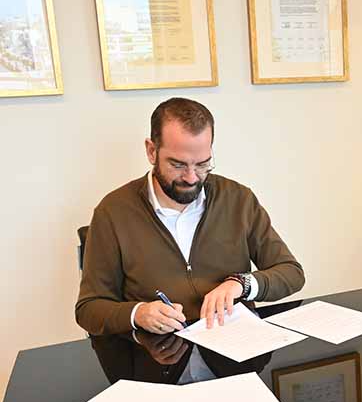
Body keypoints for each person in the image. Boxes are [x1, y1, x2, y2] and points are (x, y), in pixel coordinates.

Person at [76, 97, 305, 335]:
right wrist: (138, 313)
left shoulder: (238, 199)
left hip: (234, 346)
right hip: (158, 352)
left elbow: (291, 273)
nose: (192, 178)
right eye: (178, 165)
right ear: (152, 151)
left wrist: (242, 284)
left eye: (202, 165)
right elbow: (88, 308)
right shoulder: (113, 212)